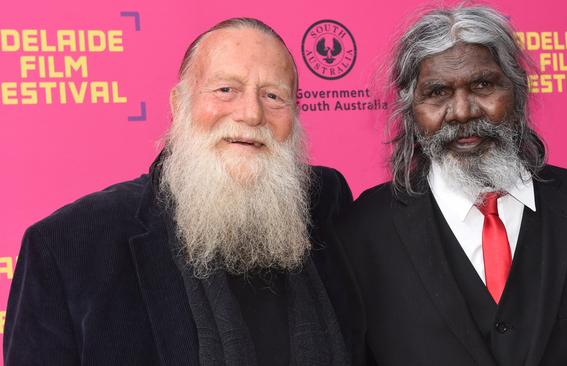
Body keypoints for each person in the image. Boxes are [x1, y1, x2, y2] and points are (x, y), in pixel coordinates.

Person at [3, 18, 354, 366]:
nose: (251, 113)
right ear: (178, 103)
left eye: (274, 96)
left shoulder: (327, 208)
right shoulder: (69, 244)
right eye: (225, 90)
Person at [332, 5, 567, 365]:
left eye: (482, 85)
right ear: (410, 111)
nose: (463, 112)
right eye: (438, 93)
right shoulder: (360, 234)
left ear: (517, 90)